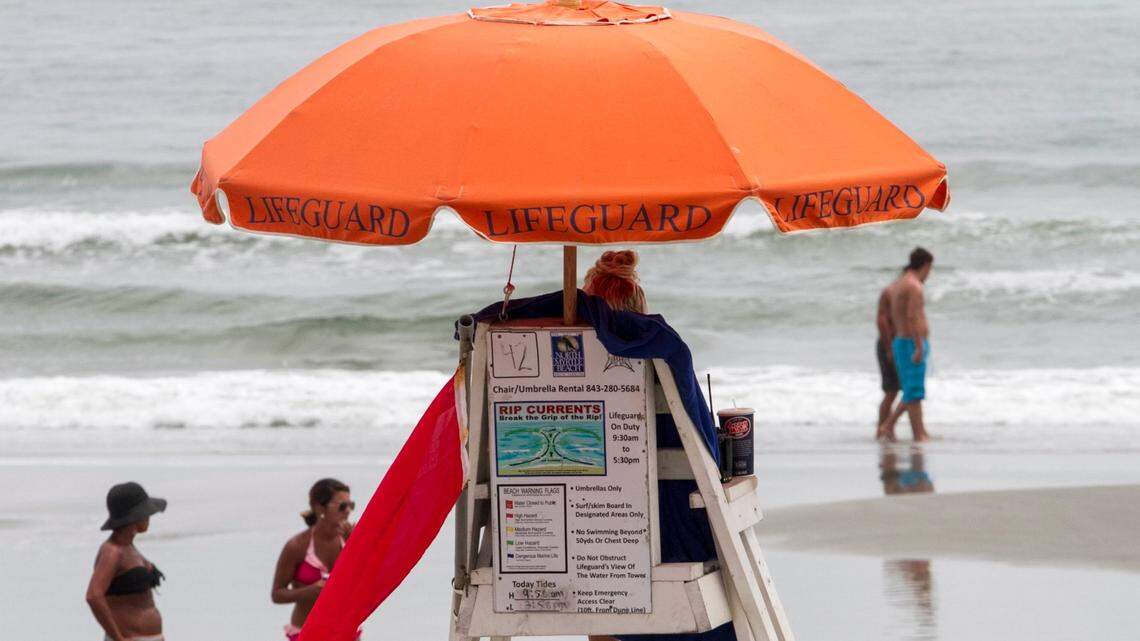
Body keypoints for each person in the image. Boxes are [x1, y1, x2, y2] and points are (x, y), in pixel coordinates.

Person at [272, 478, 356, 641]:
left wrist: (355, 547)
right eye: (342, 506)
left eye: (350, 505)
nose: (348, 511)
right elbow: (277, 594)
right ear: (319, 508)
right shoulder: (297, 546)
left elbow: (366, 582)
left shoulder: (349, 540)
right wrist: (309, 591)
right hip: (306, 634)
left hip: (346, 632)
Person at [86, 482, 168, 641]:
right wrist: (118, 638)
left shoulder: (129, 547)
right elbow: (94, 596)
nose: (149, 517)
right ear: (134, 517)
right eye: (146, 513)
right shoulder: (112, 551)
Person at [877, 247, 934, 442]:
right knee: (914, 392)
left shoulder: (899, 284)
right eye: (930, 269)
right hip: (910, 342)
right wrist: (919, 345)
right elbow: (912, 316)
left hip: (902, 341)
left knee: (912, 391)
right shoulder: (914, 286)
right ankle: (911, 432)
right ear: (926, 265)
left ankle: (918, 431)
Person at [875, 282, 901, 431]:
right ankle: (883, 428)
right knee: (892, 390)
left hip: (894, 343)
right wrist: (889, 347)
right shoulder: (890, 291)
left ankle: (887, 429)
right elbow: (881, 320)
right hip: (889, 343)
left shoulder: (895, 291)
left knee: (894, 390)